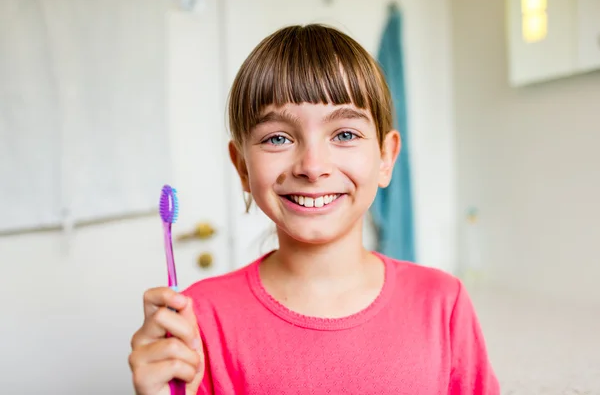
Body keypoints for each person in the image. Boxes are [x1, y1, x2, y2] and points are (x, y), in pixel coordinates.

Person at [128, 24, 500, 395]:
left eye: (345, 135)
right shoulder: (198, 320)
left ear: (386, 157)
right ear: (242, 167)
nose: (312, 165)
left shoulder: (442, 301)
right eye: (278, 138)